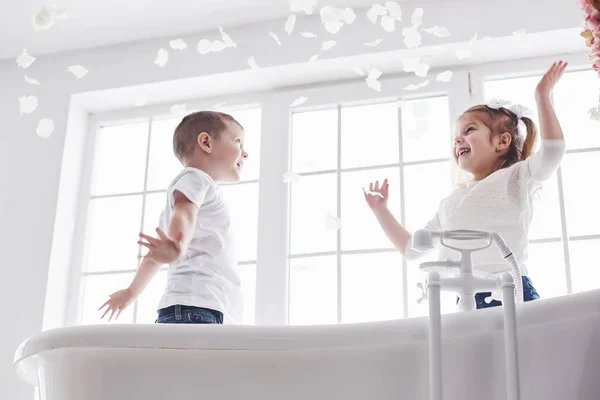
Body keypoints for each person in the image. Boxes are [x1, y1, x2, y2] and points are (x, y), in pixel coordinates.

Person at [364, 61, 568, 308]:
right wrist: (380, 210)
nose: (458, 138)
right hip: (467, 298)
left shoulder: (518, 177)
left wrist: (542, 95)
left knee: (523, 347)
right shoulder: (451, 203)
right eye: (455, 136)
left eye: (469, 129)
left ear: (502, 141)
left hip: (512, 290)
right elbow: (411, 249)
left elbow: (553, 152)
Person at [99, 110, 248, 323]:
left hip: (192, 307)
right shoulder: (196, 178)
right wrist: (178, 245)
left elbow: (153, 256)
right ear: (206, 142)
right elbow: (185, 214)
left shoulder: (185, 194)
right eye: (238, 142)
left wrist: (131, 292)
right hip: (198, 307)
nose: (245, 153)